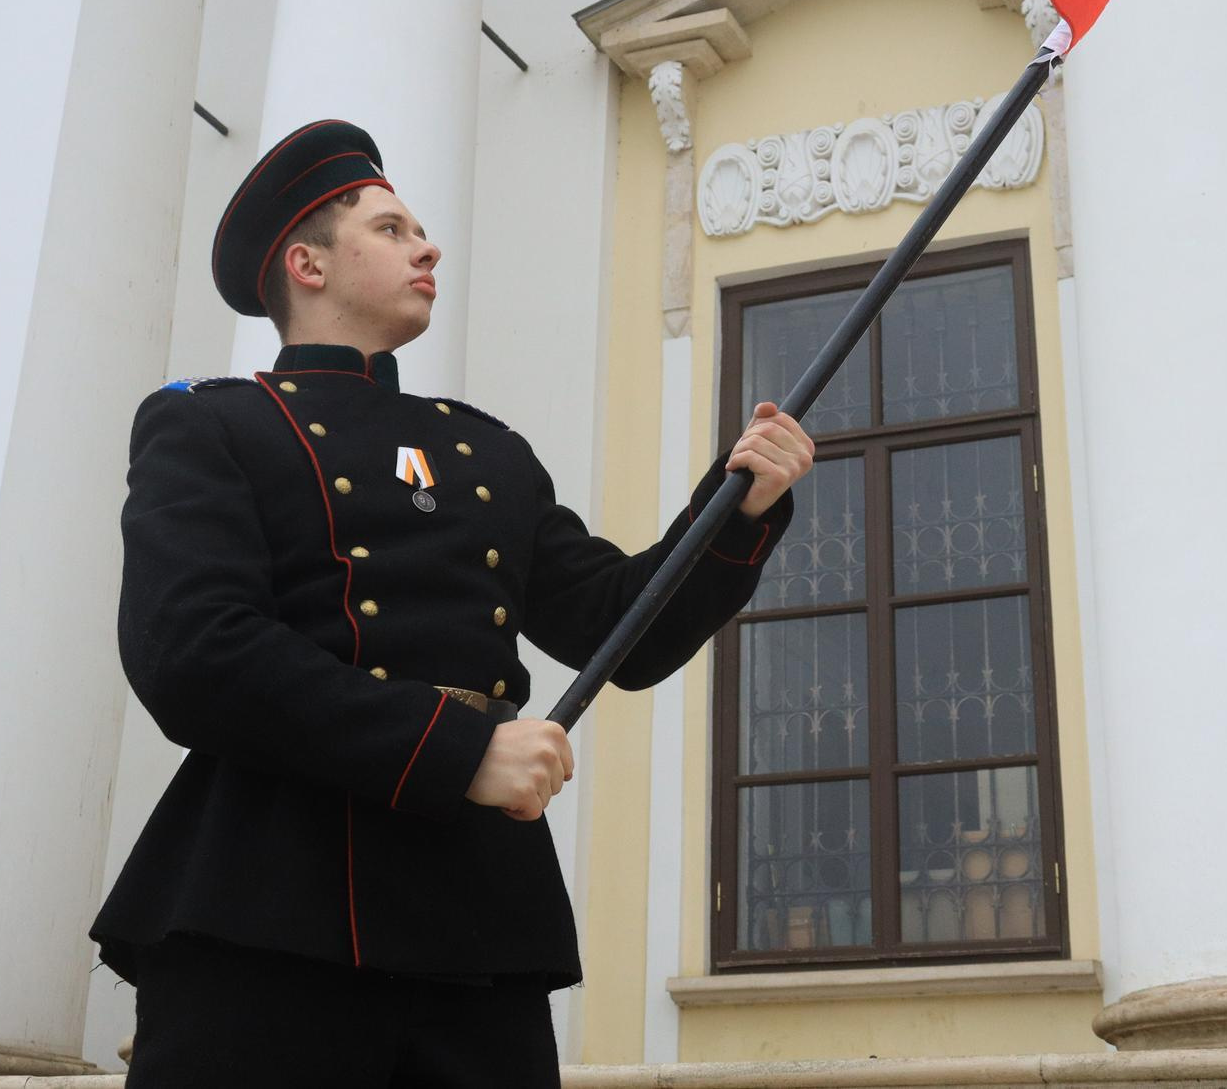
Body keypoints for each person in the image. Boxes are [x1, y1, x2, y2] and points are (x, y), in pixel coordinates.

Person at [91, 118, 815, 1087]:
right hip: (265, 915)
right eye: (390, 229)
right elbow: (192, 653)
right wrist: (462, 749)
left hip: (475, 934)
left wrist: (735, 507)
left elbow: (616, 626)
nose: (427, 246)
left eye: (417, 229)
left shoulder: (487, 451)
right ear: (305, 263)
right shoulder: (210, 424)